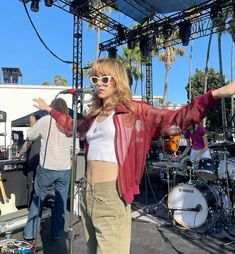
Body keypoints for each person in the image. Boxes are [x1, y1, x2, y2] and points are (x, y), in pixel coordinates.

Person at [31, 58, 235, 254]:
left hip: (111, 193)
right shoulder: (94, 117)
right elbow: (71, 126)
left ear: (117, 80)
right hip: (87, 193)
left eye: (105, 78)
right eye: (95, 79)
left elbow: (176, 118)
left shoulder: (133, 111)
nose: (99, 84)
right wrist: (50, 110)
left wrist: (215, 95)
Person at [24, 98, 72, 241]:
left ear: (51, 107)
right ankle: (57, 233)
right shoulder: (69, 123)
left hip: (47, 168)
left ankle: (30, 233)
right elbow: (75, 149)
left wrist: (32, 125)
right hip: (64, 169)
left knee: (38, 201)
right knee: (61, 202)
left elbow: (30, 136)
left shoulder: (44, 121)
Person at [19, 115, 41, 207]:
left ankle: (31, 205)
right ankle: (37, 205)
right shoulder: (41, 130)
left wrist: (20, 153)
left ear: (36, 120)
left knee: (31, 183)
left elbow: (27, 144)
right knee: (37, 183)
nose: (29, 120)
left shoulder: (35, 131)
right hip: (39, 161)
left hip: (33, 161)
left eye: (31, 118)